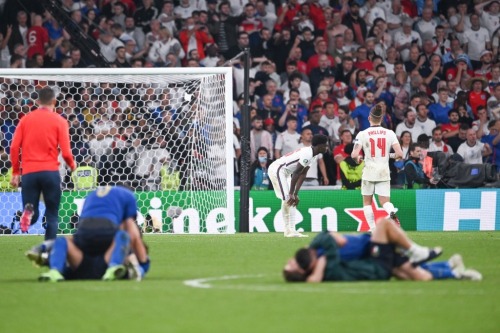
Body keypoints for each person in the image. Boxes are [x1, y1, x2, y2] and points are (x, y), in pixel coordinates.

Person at [27, 186, 149, 282]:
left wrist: (44, 247)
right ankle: (114, 266)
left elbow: (78, 235)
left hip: (81, 258)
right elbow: (133, 234)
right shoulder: (128, 196)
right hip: (105, 263)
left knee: (63, 241)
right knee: (123, 236)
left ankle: (54, 269)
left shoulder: (93, 195)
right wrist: (143, 266)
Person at [282, 217, 444, 282]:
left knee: (411, 273)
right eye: (291, 265)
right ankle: (416, 251)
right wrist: (325, 239)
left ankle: (451, 270)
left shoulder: (317, 256)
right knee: (385, 224)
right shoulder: (325, 262)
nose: (290, 260)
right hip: (373, 253)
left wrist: (313, 248)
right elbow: (339, 241)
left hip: (369, 251)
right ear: (303, 269)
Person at [10, 87, 76, 239]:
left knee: (32, 214)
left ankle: (28, 210)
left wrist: (15, 172)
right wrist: (72, 166)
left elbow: (14, 147)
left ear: (38, 101)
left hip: (29, 173)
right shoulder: (60, 121)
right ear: (54, 101)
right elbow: (66, 152)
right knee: (52, 215)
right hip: (50, 172)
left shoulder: (25, 120)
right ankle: (48, 251)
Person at [351, 104, 404, 231]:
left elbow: (354, 154)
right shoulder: (390, 133)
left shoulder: (363, 134)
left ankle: (373, 228)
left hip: (369, 171)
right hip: (384, 172)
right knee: (385, 201)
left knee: (367, 202)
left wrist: (358, 159)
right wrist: (388, 155)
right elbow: (400, 155)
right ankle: (391, 211)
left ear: (369, 118)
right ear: (382, 118)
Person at [268, 134, 329, 238]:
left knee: (291, 200)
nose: (327, 147)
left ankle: (292, 230)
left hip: (286, 172)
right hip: (278, 169)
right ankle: (288, 231)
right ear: (319, 146)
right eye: (325, 145)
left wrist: (295, 194)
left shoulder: (313, 155)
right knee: (287, 198)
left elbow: (303, 173)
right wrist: (291, 193)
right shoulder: (308, 153)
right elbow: (296, 172)